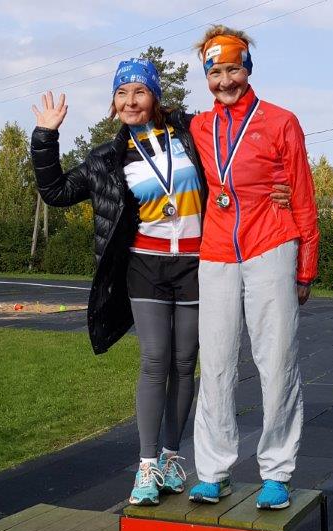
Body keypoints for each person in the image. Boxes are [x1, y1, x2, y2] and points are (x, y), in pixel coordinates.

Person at [30, 58, 291, 506]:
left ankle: (172, 458)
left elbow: (237, 162)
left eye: (139, 92)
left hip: (197, 264)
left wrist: (278, 185)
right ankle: (147, 465)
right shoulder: (106, 158)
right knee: (155, 359)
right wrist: (45, 137)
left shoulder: (191, 134)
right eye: (122, 93)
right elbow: (55, 191)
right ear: (114, 103)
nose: (130, 101)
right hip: (145, 267)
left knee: (185, 363)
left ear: (154, 97)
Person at [188, 26, 319, 510]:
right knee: (216, 363)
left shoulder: (281, 121)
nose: (225, 81)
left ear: (247, 68)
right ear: (206, 76)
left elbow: (302, 195)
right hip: (217, 251)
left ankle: (277, 472)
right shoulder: (198, 127)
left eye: (233, 69)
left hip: (271, 245)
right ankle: (214, 471)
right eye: (215, 72)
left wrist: (305, 267)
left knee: (276, 360)